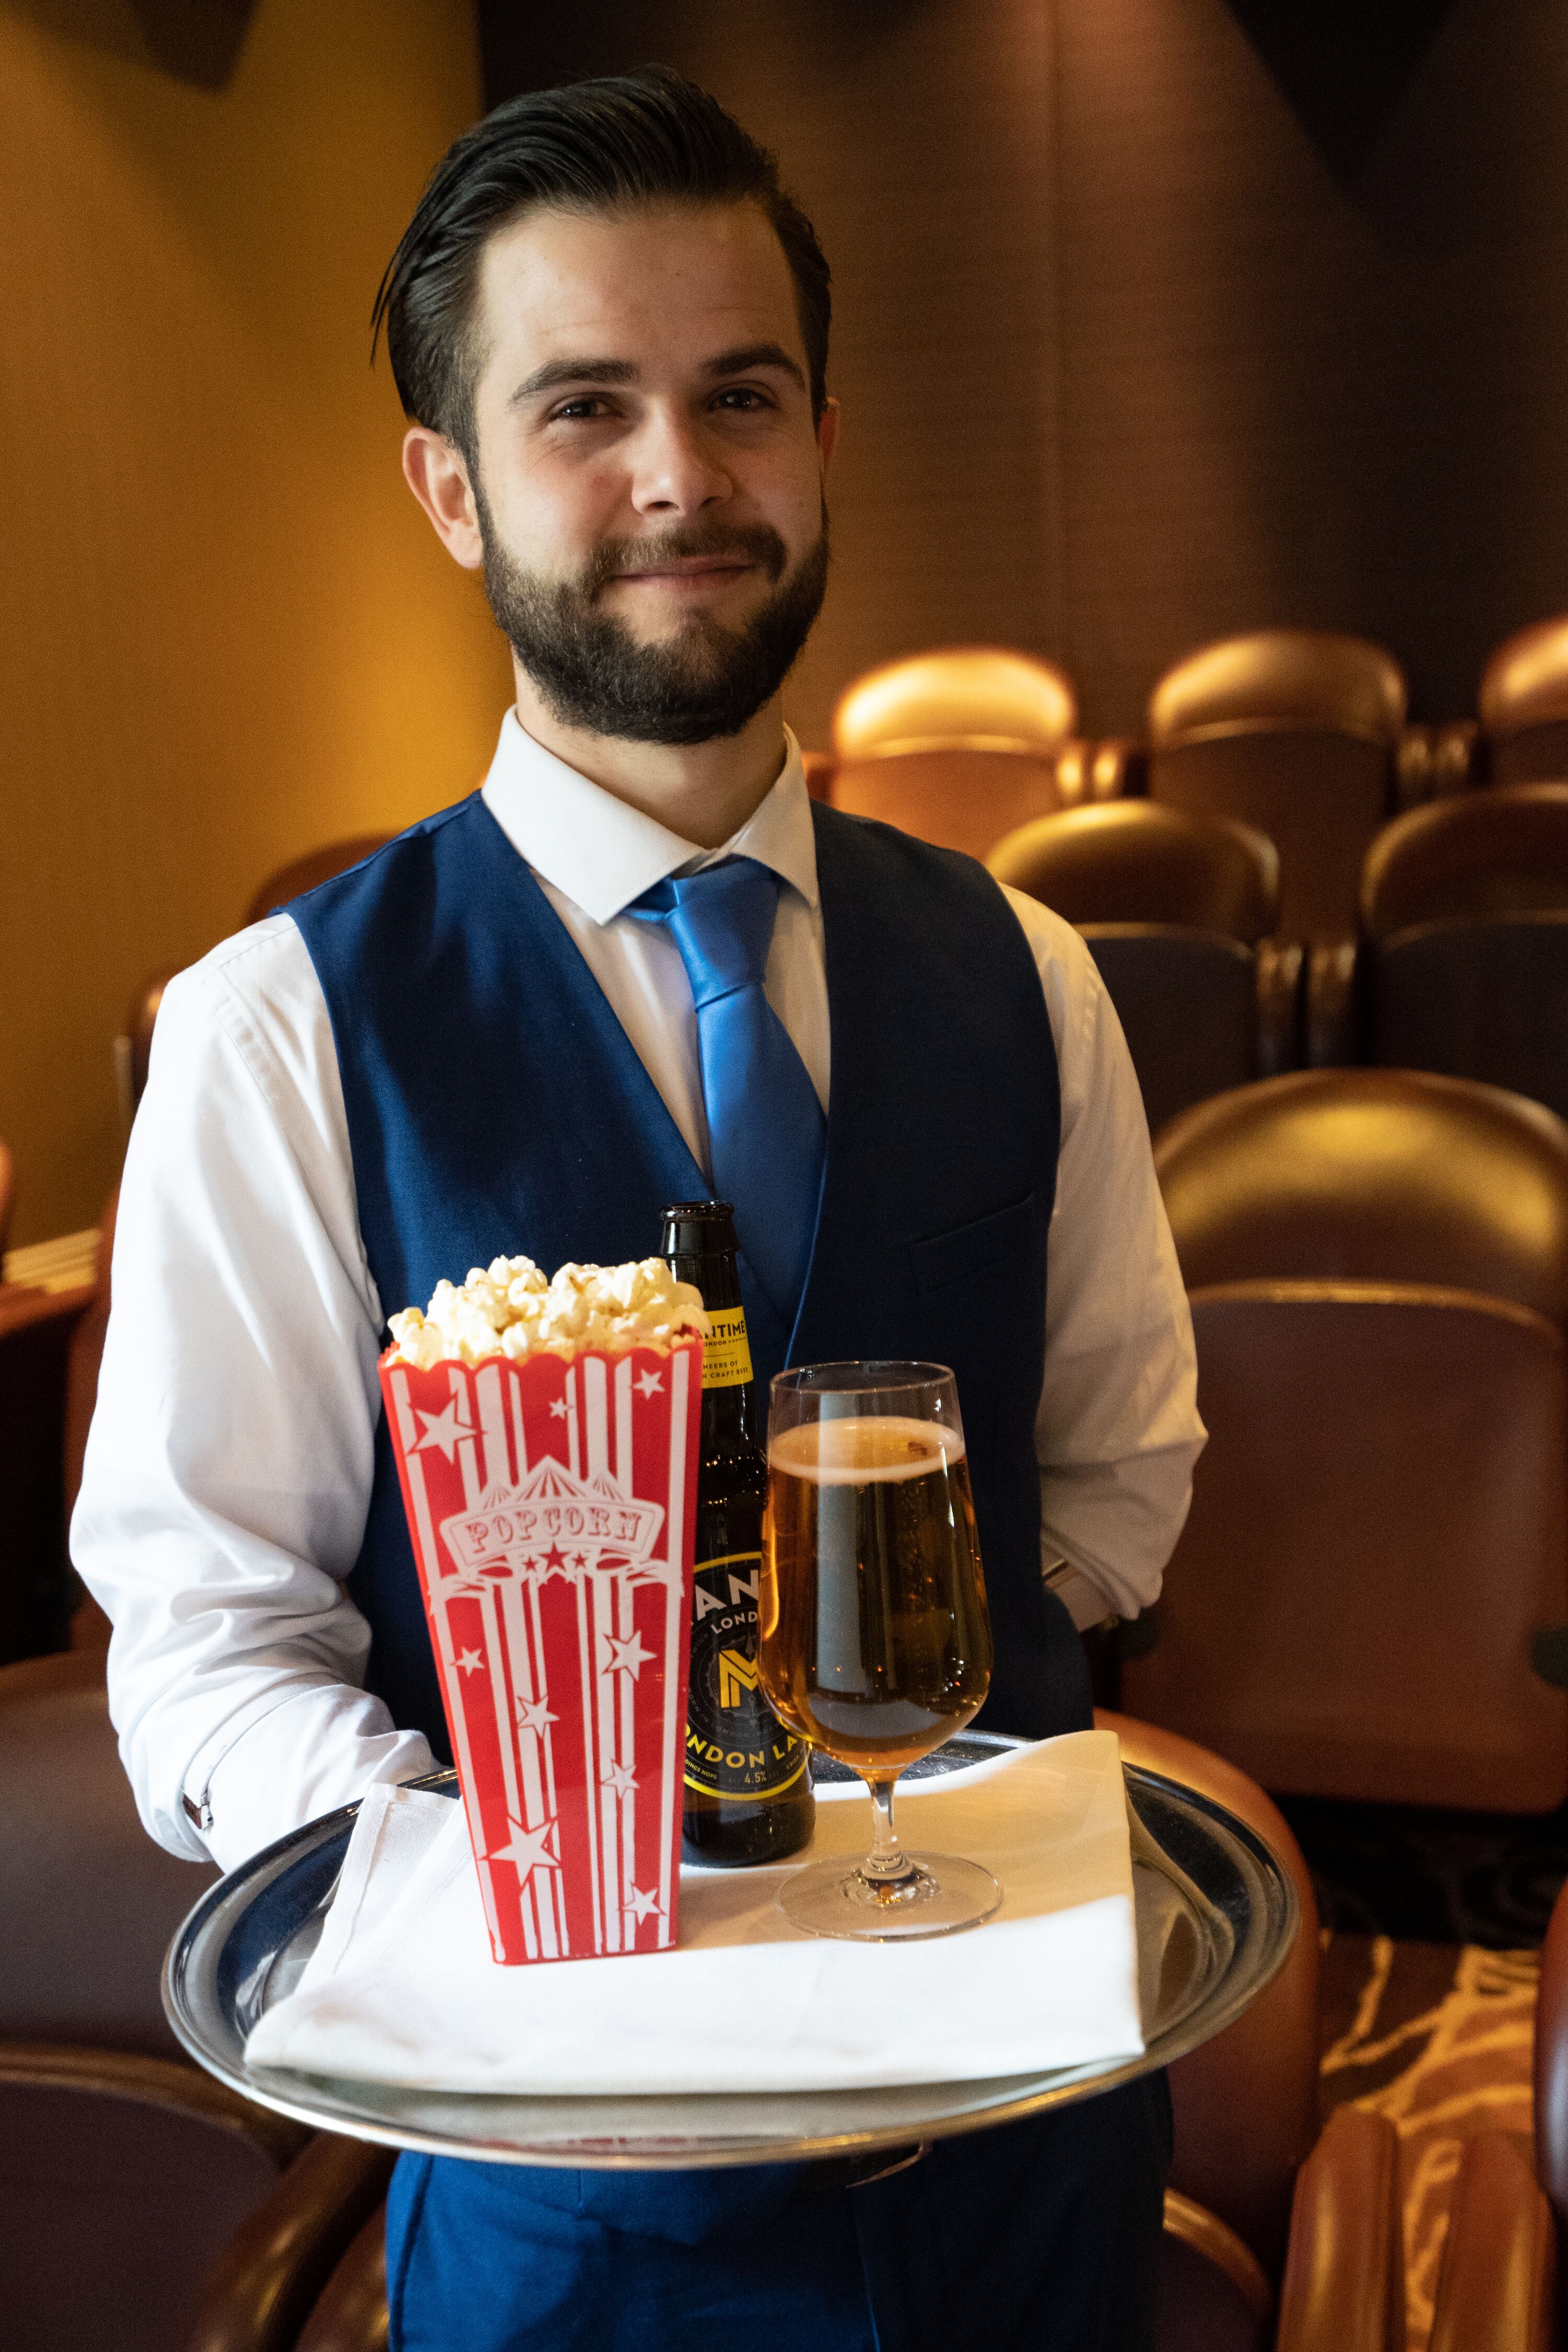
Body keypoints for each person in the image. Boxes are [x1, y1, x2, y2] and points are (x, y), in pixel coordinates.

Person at [74, 66, 1204, 2352]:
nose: (681, 476)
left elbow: (1119, 1482)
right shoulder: (276, 1030)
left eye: (742, 396)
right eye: (584, 405)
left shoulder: (1029, 970)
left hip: (1027, 2161)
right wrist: (540, 1888)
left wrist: (901, 1780)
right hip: (580, 2224)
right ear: (451, 488)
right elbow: (213, 1635)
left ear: (824, 434)